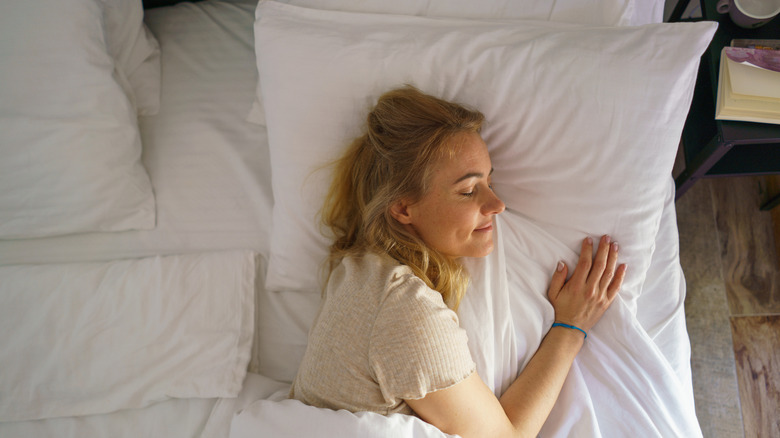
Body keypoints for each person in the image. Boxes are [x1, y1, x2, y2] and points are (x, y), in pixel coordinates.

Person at [289, 85, 627, 438]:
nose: (497, 205)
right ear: (403, 208)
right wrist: (571, 327)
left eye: (490, 181)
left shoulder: (357, 267)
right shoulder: (403, 310)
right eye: (468, 191)